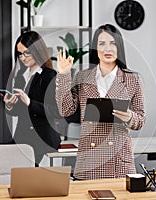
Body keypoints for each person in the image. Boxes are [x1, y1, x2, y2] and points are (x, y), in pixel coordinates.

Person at [55, 24, 145, 179]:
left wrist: (129, 117)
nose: (107, 49)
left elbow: (140, 120)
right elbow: (66, 110)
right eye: (101, 44)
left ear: (119, 47)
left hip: (118, 159)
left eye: (112, 43)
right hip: (89, 158)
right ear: (95, 49)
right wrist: (63, 75)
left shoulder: (133, 79)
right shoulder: (82, 77)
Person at [3, 31, 61, 166]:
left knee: (27, 176)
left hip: (42, 138)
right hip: (22, 137)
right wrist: (10, 105)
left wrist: (29, 102)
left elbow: (56, 111)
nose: (23, 58)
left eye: (26, 53)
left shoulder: (49, 76)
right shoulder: (21, 75)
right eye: (19, 54)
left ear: (37, 50)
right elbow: (18, 112)